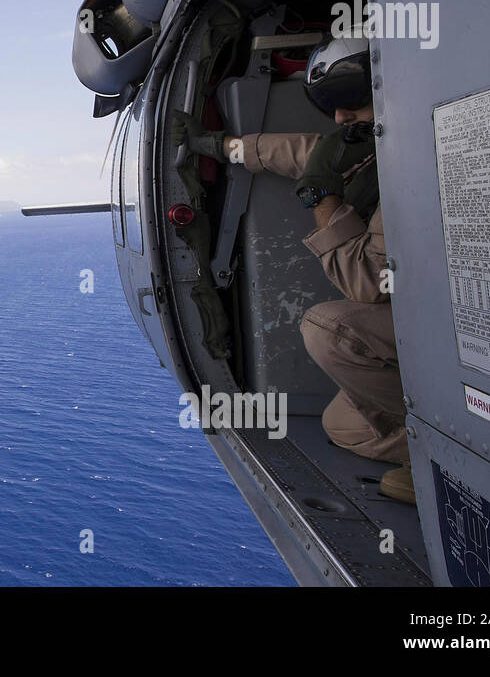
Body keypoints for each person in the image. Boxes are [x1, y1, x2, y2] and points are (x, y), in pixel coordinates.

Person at [172, 34, 414, 504]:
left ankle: (441, 452)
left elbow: (365, 283)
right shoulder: (375, 152)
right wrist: (219, 146)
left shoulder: (412, 167)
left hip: (464, 328)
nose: (341, 118)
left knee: (328, 328)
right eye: (332, 107)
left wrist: (320, 197)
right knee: (342, 425)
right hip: (430, 321)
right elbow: (301, 152)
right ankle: (429, 440)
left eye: (350, 101)